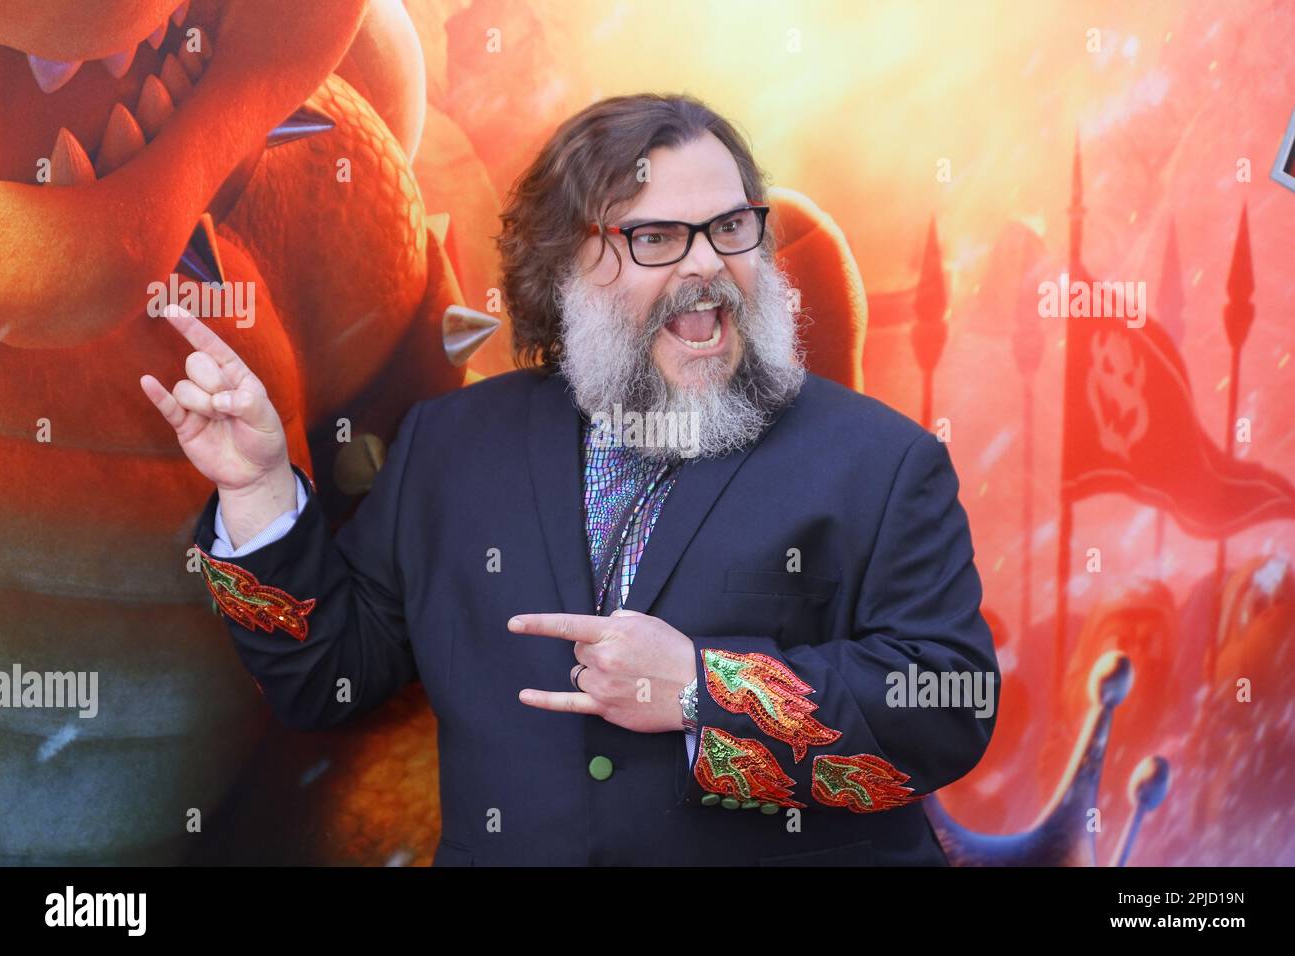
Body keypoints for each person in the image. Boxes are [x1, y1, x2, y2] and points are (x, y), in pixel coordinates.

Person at [140, 92, 998, 866]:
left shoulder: (883, 462)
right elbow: (327, 679)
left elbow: (947, 713)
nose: (706, 266)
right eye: (655, 238)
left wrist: (705, 691)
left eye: (731, 227)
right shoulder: (450, 443)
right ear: (564, 273)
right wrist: (254, 488)